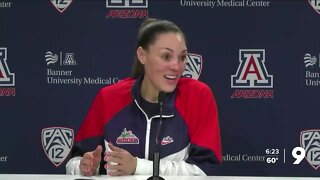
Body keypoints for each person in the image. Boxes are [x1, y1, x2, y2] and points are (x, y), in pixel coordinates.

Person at [66, 18, 222, 176]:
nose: (177, 66)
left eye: (182, 57)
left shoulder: (198, 97)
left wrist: (138, 167)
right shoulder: (109, 98)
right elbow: (74, 162)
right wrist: (84, 167)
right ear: (142, 55)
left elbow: (206, 171)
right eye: (166, 56)